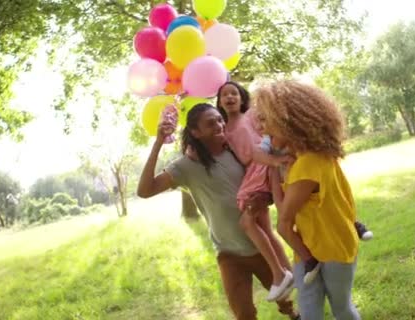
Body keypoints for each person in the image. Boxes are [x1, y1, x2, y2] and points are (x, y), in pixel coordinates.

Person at [137, 103, 300, 320]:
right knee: (244, 314)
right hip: (229, 255)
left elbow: (262, 179)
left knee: (287, 297)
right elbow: (145, 190)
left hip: (260, 246)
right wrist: (158, 143)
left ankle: (294, 315)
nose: (219, 124)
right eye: (210, 123)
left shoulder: (237, 151)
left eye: (219, 119)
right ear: (196, 132)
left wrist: (264, 198)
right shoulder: (185, 166)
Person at [254, 80, 362, 320]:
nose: (260, 129)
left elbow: (283, 222)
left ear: (288, 120)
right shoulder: (303, 158)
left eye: (264, 120)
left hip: (332, 249)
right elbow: (286, 211)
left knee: (341, 308)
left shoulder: (308, 164)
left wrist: (308, 258)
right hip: (306, 248)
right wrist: (273, 168)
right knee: (310, 311)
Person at [216, 81, 294, 301]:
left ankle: (281, 273)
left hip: (263, 164)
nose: (229, 97)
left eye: (234, 93)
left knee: (247, 222)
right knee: (265, 230)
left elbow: (267, 125)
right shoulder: (224, 130)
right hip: (251, 172)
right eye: (224, 95)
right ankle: (289, 272)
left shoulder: (250, 114)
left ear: (241, 97)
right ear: (219, 102)